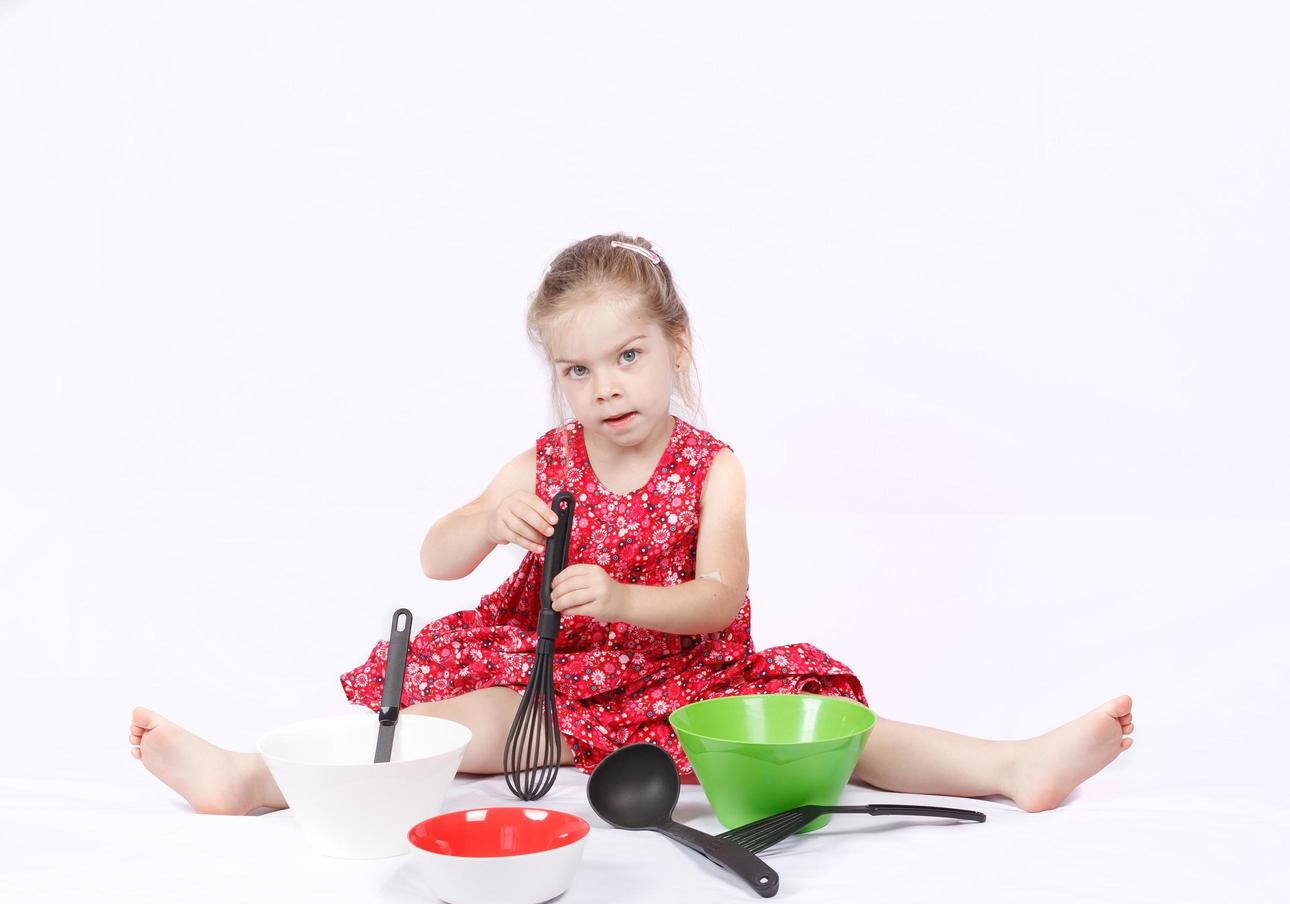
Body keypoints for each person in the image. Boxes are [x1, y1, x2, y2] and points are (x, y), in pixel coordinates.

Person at [129, 233, 1134, 817]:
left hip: (687, 679)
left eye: (627, 356)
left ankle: (1010, 765)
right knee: (444, 727)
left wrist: (621, 596)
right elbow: (434, 559)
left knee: (827, 731)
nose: (604, 388)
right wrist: (486, 518)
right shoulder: (547, 460)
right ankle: (251, 779)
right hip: (553, 679)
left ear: (674, 346)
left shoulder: (713, 469)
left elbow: (718, 600)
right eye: (577, 369)